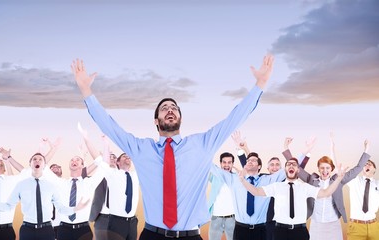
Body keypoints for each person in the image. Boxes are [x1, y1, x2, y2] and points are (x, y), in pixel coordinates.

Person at [71, 54, 274, 239]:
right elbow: (109, 125)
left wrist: (260, 84)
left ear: (180, 118)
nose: (170, 110)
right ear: (156, 121)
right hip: (153, 234)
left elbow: (234, 118)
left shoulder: (202, 144)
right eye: (164, 108)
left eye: (174, 107)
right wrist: (86, 90)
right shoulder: (141, 149)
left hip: (190, 235)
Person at [0, 152, 89, 240]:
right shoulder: (21, 185)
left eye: (40, 159)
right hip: (27, 230)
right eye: (34, 159)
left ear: (44, 166)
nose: (37, 161)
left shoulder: (51, 186)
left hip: (47, 230)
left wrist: (75, 209)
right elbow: (8, 206)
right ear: (30, 164)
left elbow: (61, 208)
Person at [239, 157, 347, 240]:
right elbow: (256, 191)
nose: (291, 166)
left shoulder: (305, 187)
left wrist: (338, 179)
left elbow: (325, 193)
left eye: (294, 164)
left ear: (298, 170)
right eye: (288, 164)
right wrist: (243, 181)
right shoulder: (276, 186)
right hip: (280, 231)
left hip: (300, 231)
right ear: (285, 169)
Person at [291, 138, 371, 240]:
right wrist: (307, 150)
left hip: (334, 224)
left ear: (331, 169)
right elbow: (295, 167)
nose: (325, 171)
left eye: (327, 168)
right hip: (316, 224)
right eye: (322, 168)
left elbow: (358, 168)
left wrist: (366, 150)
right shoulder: (311, 180)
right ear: (318, 169)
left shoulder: (339, 180)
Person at [347, 158, 379, 240]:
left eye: (369, 164)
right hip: (356, 227)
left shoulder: (377, 184)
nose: (367, 165)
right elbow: (339, 174)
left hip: (374, 226)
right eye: (364, 164)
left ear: (374, 169)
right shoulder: (355, 181)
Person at [207, 152, 236, 240]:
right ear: (220, 163)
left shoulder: (236, 178)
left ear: (232, 164)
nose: (226, 165)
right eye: (224, 162)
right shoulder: (215, 176)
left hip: (232, 219)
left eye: (229, 162)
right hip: (216, 218)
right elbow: (207, 165)